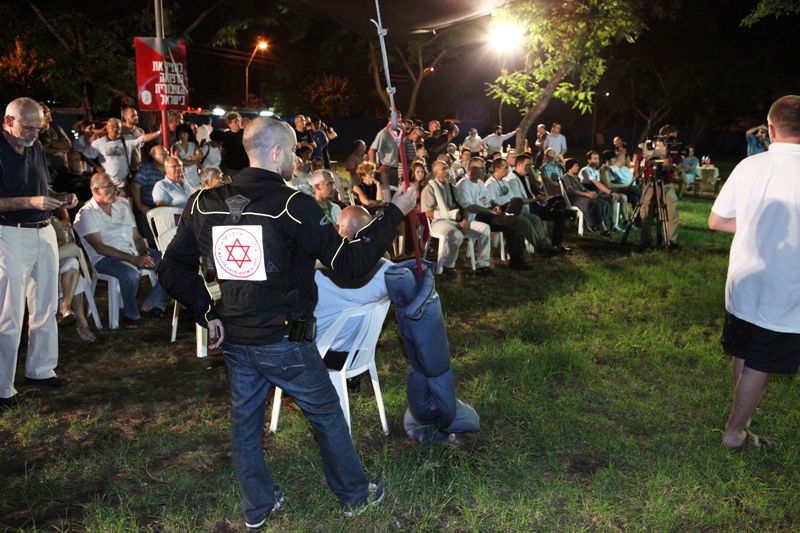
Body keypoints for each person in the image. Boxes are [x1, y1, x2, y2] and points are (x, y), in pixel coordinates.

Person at [157, 116, 416, 526]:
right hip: (285, 341)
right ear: (276, 152)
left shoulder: (203, 203)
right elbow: (348, 263)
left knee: (245, 424)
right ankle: (354, 494)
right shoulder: (292, 205)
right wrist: (393, 214)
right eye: (294, 151)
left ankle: (257, 508)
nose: (296, 159)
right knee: (326, 414)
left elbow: (173, 270)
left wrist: (209, 313)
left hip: (237, 338)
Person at [709, 95, 800, 450]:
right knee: (761, 359)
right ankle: (735, 432)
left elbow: (717, 220)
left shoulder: (749, 166)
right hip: (787, 287)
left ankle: (744, 406)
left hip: (744, 280)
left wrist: (754, 228)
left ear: (771, 129)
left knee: (744, 351)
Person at [1, 97, 76, 407]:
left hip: (43, 231)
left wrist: (61, 198)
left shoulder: (35, 149)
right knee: (9, 312)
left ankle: (41, 369)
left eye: (38, 129)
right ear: (7, 122)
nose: (34, 134)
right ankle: (3, 387)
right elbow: (24, 199)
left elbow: (43, 191)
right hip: (9, 235)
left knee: (46, 304)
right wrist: (29, 202)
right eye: (28, 128)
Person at [74, 172, 170, 328]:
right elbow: (100, 247)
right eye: (110, 187)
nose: (115, 191)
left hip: (132, 251)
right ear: (96, 190)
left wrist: (143, 253)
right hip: (105, 259)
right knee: (129, 273)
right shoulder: (86, 214)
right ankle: (131, 315)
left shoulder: (122, 204)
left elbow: (137, 236)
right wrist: (133, 259)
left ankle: (152, 303)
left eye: (115, 186)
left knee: (172, 262)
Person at [314, 206, 393, 370]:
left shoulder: (315, 274)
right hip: (361, 353)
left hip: (322, 355)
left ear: (336, 229)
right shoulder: (387, 271)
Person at [421, 159, 492, 275]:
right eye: (443, 169)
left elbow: (463, 206)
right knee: (457, 235)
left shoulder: (452, 187)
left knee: (484, 228)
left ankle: (483, 265)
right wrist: (449, 215)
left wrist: (464, 219)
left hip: (456, 220)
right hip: (439, 222)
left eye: (447, 168)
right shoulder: (429, 189)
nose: (447, 171)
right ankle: (448, 265)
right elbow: (428, 213)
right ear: (435, 173)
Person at [456, 157, 531, 269]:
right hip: (474, 217)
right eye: (481, 168)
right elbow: (470, 207)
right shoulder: (464, 184)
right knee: (513, 221)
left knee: (513, 224)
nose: (485, 171)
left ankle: (516, 260)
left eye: (484, 168)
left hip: (486, 214)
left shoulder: (480, 183)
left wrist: (494, 206)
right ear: (471, 169)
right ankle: (516, 261)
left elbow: (488, 199)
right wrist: (489, 210)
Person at [91, 118, 160, 195]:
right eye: (113, 127)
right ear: (107, 128)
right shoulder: (99, 143)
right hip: (106, 187)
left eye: (118, 127)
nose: (115, 129)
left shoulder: (127, 140)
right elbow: (85, 154)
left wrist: (159, 132)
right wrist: (96, 166)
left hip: (123, 186)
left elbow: (143, 138)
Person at [640, 124, 681, 249]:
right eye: (671, 138)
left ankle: (671, 241)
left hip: (666, 183)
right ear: (664, 136)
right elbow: (644, 160)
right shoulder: (651, 145)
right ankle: (646, 240)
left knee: (671, 212)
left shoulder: (674, 148)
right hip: (650, 182)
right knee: (646, 211)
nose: (673, 141)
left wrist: (671, 162)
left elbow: (677, 163)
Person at [561, 158, 610, 232]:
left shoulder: (576, 177)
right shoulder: (566, 177)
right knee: (594, 204)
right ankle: (602, 228)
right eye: (576, 166)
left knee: (602, 202)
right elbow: (571, 190)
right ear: (570, 167)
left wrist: (590, 192)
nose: (578, 167)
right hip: (574, 199)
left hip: (582, 196)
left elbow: (583, 188)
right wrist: (586, 194)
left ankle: (599, 224)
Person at [37, 102, 72, 178]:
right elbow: (41, 149)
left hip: (62, 170)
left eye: (48, 111)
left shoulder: (57, 129)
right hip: (46, 171)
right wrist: (59, 148)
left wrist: (50, 145)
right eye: (44, 112)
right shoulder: (35, 133)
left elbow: (68, 144)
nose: (48, 114)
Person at [172, 123, 202, 190]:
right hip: (183, 178)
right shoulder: (176, 146)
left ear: (189, 133)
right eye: (180, 134)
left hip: (194, 177)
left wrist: (189, 159)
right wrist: (194, 161)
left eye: (184, 133)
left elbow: (200, 155)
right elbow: (180, 162)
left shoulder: (193, 145)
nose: (182, 136)